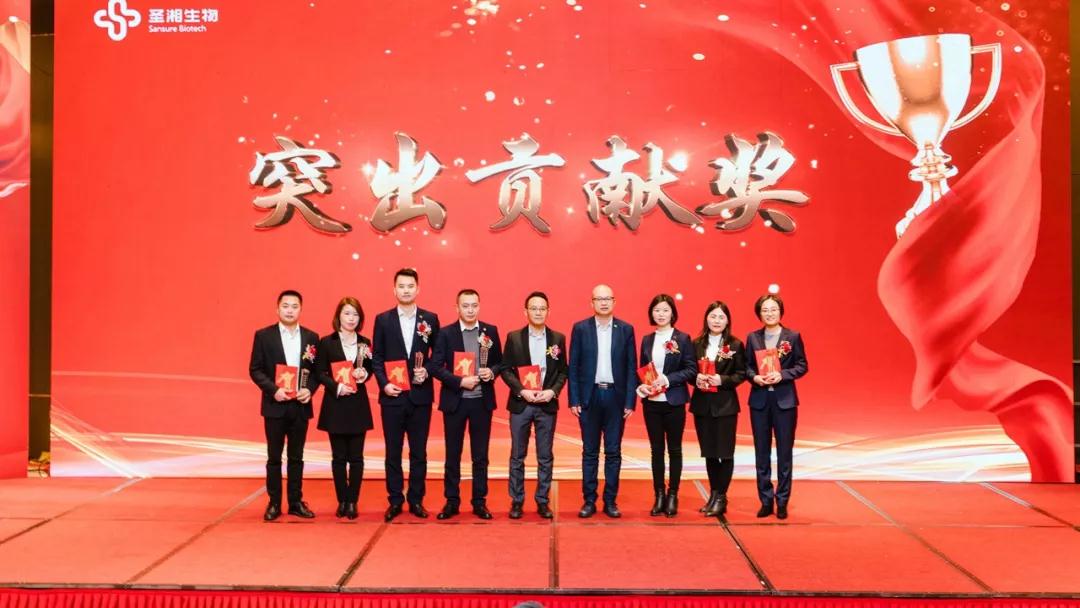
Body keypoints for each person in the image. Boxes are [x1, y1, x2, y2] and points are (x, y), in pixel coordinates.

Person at [372, 269, 441, 522]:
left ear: (418, 289)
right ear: (394, 289)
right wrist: (384, 385)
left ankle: (416, 499)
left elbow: (438, 355)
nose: (406, 290)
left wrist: (427, 371)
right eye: (401, 286)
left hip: (420, 397)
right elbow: (376, 357)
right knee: (393, 451)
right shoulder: (383, 320)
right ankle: (395, 500)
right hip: (392, 396)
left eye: (410, 286)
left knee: (419, 452)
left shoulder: (430, 319)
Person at [248, 290, 320, 521]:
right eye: (286, 306)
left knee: (297, 457)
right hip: (275, 404)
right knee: (274, 457)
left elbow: (317, 372)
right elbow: (255, 369)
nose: (290, 310)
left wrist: (309, 390)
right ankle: (274, 502)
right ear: (277, 309)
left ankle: (296, 502)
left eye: (294, 306)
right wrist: (274, 390)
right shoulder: (264, 336)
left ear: (301, 309)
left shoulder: (311, 337)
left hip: (300, 405)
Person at [431, 289, 503, 520]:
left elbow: (500, 363)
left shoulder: (490, 331)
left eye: (474, 305)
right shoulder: (446, 333)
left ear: (479, 306)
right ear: (457, 308)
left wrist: (491, 372)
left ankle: (479, 502)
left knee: (480, 456)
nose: (470, 310)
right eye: (465, 306)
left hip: (482, 402)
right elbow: (435, 367)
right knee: (453, 454)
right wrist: (459, 381)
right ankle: (452, 501)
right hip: (456, 402)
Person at [568, 284, 636, 519]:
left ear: (614, 302)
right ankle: (589, 501)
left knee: (613, 452)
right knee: (589, 452)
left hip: (616, 397)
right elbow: (573, 367)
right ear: (592, 303)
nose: (604, 302)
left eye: (608, 299)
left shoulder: (625, 329)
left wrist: (630, 401)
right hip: (590, 396)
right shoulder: (581, 328)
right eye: (599, 299)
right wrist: (574, 399)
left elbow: (631, 367)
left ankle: (610, 501)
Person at [500, 291, 568, 520]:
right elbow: (506, 369)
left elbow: (563, 371)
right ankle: (517, 500)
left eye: (542, 308)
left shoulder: (558, 339)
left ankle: (542, 501)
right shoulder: (514, 337)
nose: (538, 312)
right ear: (525, 311)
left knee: (545, 456)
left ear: (548, 311)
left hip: (546, 404)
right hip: (521, 404)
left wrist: (552, 391)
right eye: (533, 308)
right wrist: (522, 390)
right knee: (517, 456)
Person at [746, 294, 808, 520]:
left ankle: (782, 501)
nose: (769, 313)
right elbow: (747, 367)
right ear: (759, 314)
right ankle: (765, 500)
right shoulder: (753, 337)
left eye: (773, 309)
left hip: (784, 402)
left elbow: (802, 365)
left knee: (784, 453)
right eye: (765, 310)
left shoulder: (792, 336)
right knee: (761, 452)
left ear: (780, 311)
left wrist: (782, 375)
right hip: (760, 401)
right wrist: (755, 378)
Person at [636, 294, 697, 517]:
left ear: (672, 313)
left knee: (674, 450)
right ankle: (659, 494)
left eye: (665, 310)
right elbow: (642, 369)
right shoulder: (646, 340)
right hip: (652, 403)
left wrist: (668, 379)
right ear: (651, 313)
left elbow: (691, 369)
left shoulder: (683, 338)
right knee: (656, 450)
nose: (660, 314)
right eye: (657, 310)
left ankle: (673, 495)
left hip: (674, 401)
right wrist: (642, 387)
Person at [315, 297, 374, 520]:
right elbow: (320, 373)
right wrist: (337, 387)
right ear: (338, 315)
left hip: (358, 404)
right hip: (336, 404)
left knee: (356, 458)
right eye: (347, 313)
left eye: (355, 314)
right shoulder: (326, 342)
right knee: (338, 457)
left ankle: (352, 501)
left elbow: (370, 369)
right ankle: (342, 500)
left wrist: (364, 374)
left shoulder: (365, 343)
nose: (351, 318)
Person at [689, 301, 746, 517]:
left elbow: (741, 374)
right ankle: (713, 495)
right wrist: (696, 379)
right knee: (710, 453)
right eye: (713, 316)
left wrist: (721, 380)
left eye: (721, 317)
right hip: (702, 405)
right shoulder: (696, 344)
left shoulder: (735, 344)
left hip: (725, 406)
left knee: (725, 453)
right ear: (706, 318)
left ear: (727, 320)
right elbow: (689, 371)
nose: (717, 320)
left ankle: (721, 497)